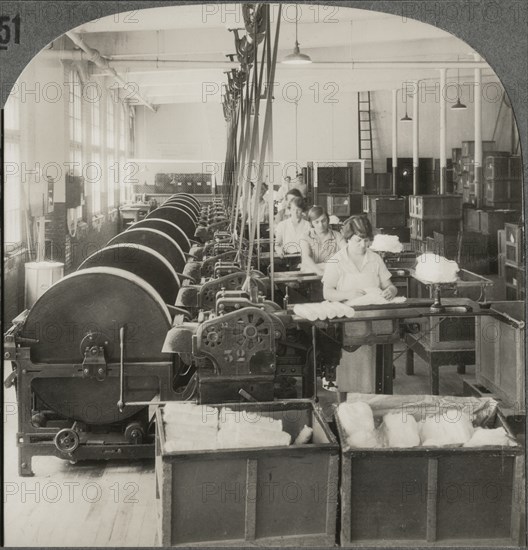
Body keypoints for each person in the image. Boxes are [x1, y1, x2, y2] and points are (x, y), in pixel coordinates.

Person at [322, 215, 397, 395]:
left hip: (375, 324)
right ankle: (347, 408)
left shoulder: (375, 259)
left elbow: (390, 285)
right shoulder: (336, 260)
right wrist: (348, 294)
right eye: (358, 241)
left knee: (372, 372)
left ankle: (375, 402)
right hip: (348, 325)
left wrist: (391, 291)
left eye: (366, 240)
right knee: (349, 372)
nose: (363, 245)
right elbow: (327, 292)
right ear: (348, 239)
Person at [300, 206, 345, 276]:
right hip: (310, 274)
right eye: (316, 222)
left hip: (332, 274)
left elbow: (346, 251)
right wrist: (320, 272)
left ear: (328, 220)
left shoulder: (337, 235)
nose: (320, 225)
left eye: (323, 220)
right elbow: (306, 257)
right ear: (311, 223)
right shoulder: (306, 236)